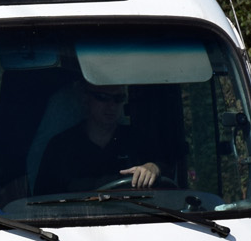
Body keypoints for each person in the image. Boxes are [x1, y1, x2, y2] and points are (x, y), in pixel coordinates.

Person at [33, 83, 163, 195]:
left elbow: (166, 180)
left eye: (118, 99)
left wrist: (152, 168)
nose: (111, 106)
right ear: (85, 99)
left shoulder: (137, 140)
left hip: (136, 219)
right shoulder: (60, 147)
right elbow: (43, 201)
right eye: (103, 98)